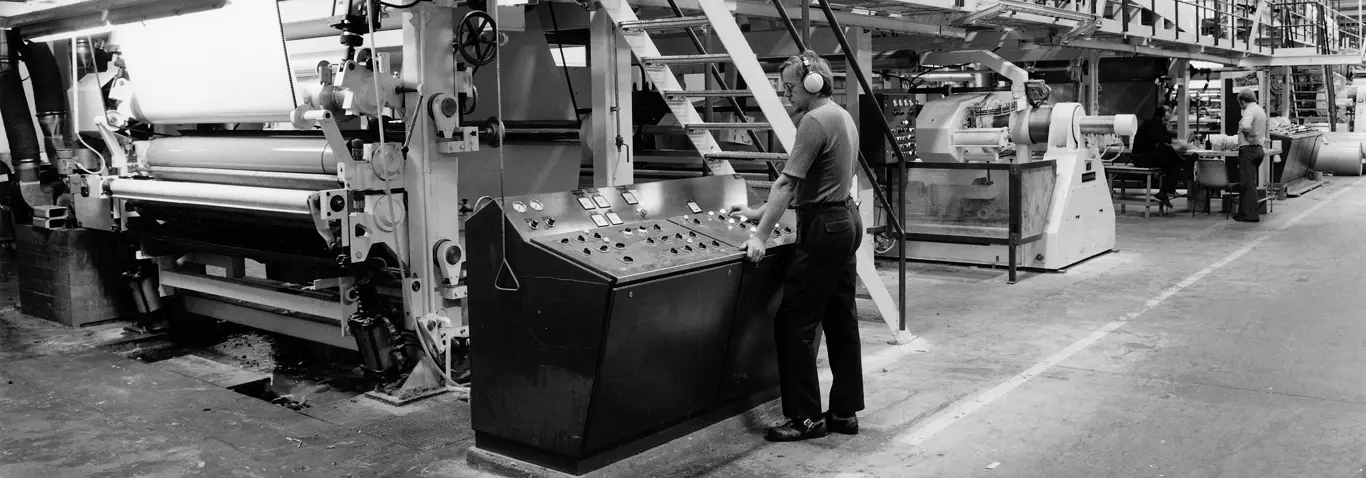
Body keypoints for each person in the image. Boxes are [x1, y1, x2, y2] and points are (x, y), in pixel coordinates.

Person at [729, 50, 864, 442]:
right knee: (840, 319)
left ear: (812, 84)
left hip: (823, 227)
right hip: (846, 220)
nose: (786, 93)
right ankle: (844, 413)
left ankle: (805, 419)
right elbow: (816, 178)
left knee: (794, 323)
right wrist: (760, 211)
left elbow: (787, 183)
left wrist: (760, 235)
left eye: (790, 87)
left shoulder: (813, 121)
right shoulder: (841, 115)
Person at [1131, 105, 1193, 208]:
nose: (1166, 123)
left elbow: (1166, 137)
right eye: (1165, 120)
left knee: (1171, 161)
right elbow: (1160, 140)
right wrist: (1177, 145)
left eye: (1168, 121)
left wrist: (1179, 143)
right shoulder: (1149, 125)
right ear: (1159, 117)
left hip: (1149, 156)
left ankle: (1164, 192)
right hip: (1140, 158)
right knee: (1168, 152)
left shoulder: (1159, 125)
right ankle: (1183, 165)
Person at [1233, 89, 1268, 223]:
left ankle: (1251, 215)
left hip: (1248, 150)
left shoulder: (1249, 111)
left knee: (1248, 184)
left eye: (1240, 103)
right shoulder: (1260, 110)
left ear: (1242, 101)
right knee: (1246, 183)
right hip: (1258, 149)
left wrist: (1247, 136)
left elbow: (1245, 126)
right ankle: (1242, 213)